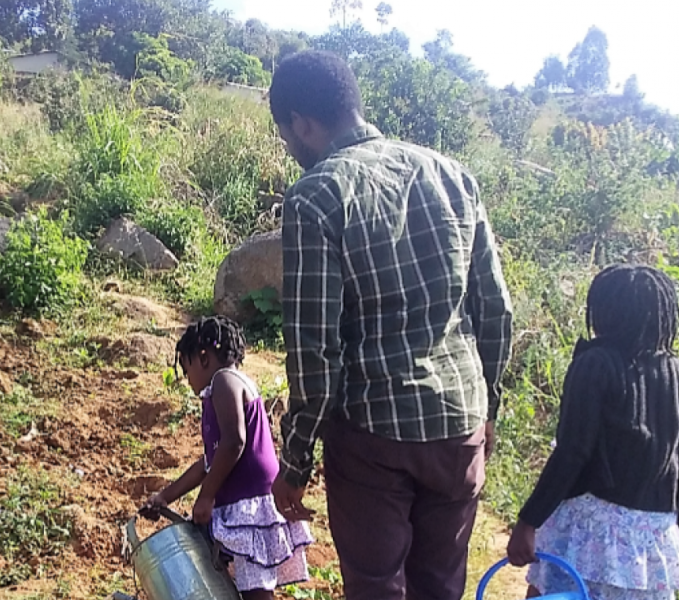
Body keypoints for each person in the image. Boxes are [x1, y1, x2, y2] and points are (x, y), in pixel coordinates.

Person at [268, 50, 514, 600]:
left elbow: (314, 349)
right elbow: (495, 311)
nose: (290, 149)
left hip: (373, 436)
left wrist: (297, 458)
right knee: (441, 586)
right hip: (458, 425)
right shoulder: (454, 176)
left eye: (287, 135)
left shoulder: (316, 196)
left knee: (377, 587)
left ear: (302, 124)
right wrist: (487, 408)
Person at [507, 264, 679, 600]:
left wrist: (529, 521)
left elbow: (573, 452)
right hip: (653, 543)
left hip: (591, 536)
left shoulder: (595, 364)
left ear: (604, 312)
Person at [143, 316, 313, 600]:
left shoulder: (224, 381)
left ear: (203, 357)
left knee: (256, 592)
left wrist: (207, 496)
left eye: (187, 371)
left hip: (249, 504)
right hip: (241, 501)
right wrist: (164, 497)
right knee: (237, 583)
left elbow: (234, 443)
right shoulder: (223, 387)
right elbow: (208, 462)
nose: (188, 381)